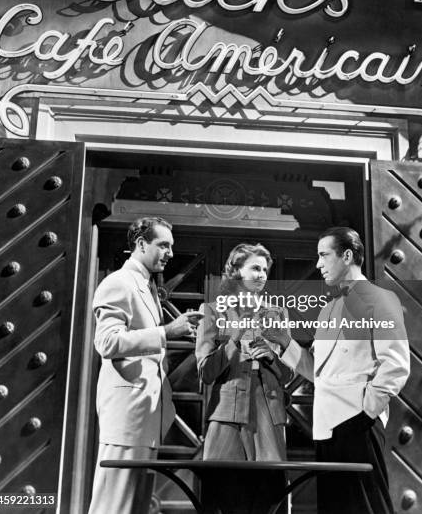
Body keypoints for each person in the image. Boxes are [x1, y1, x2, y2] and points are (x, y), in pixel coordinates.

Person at [262, 226, 410, 514]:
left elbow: (396, 365)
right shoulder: (328, 310)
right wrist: (284, 342)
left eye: (323, 255)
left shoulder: (379, 299)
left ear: (346, 255)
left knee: (369, 508)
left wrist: (365, 414)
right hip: (327, 427)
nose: (318, 264)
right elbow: (319, 371)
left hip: (358, 424)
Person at [88, 216, 203, 514]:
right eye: (163, 245)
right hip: (127, 417)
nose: (171, 253)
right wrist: (167, 332)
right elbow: (107, 343)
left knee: (135, 506)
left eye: (171, 247)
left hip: (145, 418)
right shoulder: (118, 283)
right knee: (113, 505)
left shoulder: (144, 286)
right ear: (140, 244)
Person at [195, 242, 293, 461]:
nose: (262, 275)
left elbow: (288, 375)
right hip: (226, 413)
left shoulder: (277, 313)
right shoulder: (212, 311)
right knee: (224, 489)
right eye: (255, 268)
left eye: (265, 270)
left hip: (269, 412)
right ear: (237, 270)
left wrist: (272, 357)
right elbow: (206, 373)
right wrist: (234, 338)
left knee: (269, 489)